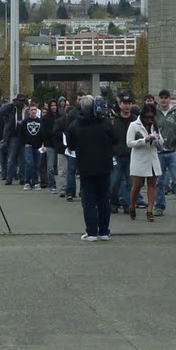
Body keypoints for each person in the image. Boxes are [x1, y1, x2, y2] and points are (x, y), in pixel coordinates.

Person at [69, 95, 117, 242]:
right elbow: (115, 139)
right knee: (104, 199)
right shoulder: (105, 123)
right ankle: (104, 231)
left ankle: (91, 232)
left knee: (89, 201)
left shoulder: (75, 125)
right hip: (104, 166)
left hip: (85, 167)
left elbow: (70, 146)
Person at [125, 103, 162, 222]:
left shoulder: (154, 125)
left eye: (151, 117)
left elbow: (161, 143)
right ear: (142, 116)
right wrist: (144, 140)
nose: (149, 120)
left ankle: (150, 210)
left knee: (152, 185)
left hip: (152, 158)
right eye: (147, 117)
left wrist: (157, 139)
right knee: (138, 185)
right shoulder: (134, 125)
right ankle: (132, 205)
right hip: (139, 159)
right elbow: (129, 143)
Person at [153, 90, 176, 218]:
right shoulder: (154, 114)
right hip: (159, 153)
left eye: (166, 98)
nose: (163, 100)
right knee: (159, 182)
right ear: (158, 99)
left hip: (173, 153)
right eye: (161, 98)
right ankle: (159, 207)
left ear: (169, 99)